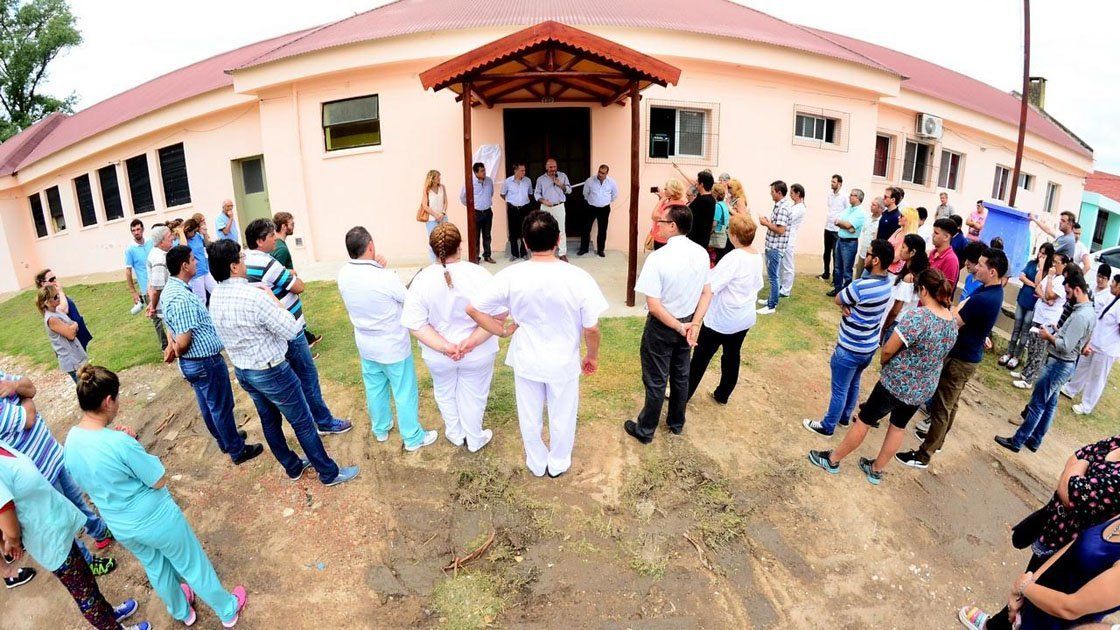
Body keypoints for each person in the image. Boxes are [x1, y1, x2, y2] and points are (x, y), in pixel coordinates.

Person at [63, 366, 248, 628]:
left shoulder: (71, 440)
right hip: (155, 518)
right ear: (107, 401)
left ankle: (182, 611)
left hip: (121, 524)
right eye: (117, 397)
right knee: (192, 563)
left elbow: (85, 475)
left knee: (155, 566)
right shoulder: (119, 443)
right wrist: (132, 444)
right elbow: (157, 479)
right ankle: (227, 610)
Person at [207, 239, 359, 486]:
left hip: (244, 371)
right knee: (303, 423)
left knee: (269, 421)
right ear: (233, 266)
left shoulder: (215, 296)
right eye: (241, 258)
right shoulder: (254, 296)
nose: (245, 262)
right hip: (271, 371)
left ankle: (292, 467)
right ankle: (328, 473)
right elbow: (291, 329)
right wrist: (272, 297)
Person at [468, 210, 606, 477]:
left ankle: (536, 461)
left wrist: (502, 331)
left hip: (527, 357)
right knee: (563, 413)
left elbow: (473, 309)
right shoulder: (578, 277)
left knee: (529, 414)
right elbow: (591, 327)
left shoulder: (511, 275)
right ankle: (558, 462)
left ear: (526, 242)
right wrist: (592, 355)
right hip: (563, 360)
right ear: (558, 240)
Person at [807, 269, 958, 485]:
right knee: (898, 426)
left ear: (923, 290)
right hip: (922, 388)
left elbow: (888, 349)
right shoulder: (951, 321)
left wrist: (885, 363)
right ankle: (876, 470)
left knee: (865, 421)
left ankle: (832, 460)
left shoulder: (918, 318)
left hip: (895, 383)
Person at [960, 434, 1120, 629]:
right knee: (1020, 611)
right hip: (1053, 554)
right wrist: (1026, 585)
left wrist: (1024, 587)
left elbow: (1070, 608)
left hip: (1058, 617)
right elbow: (1078, 457)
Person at [0, 440, 149, 630]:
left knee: (88, 581)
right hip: (50, 542)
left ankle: (109, 615)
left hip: (57, 528)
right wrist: (11, 541)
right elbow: (9, 526)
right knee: (85, 595)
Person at [898, 248, 1009, 469]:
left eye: (981, 264)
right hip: (967, 355)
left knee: (942, 405)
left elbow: (953, 322)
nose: (976, 267)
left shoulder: (984, 298)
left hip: (961, 359)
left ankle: (924, 454)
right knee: (951, 402)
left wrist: (952, 311)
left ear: (993, 272)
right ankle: (937, 441)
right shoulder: (992, 291)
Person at [0, 370, 116, 567]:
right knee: (63, 522)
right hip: (39, 474)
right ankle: (88, 562)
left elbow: (31, 388)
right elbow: (29, 418)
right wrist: (25, 399)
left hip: (52, 454)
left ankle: (100, 532)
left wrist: (16, 387)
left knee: (77, 500)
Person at [402, 223, 502, 451]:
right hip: (477, 351)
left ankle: (456, 433)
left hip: (439, 354)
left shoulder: (422, 280)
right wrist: (470, 342)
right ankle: (474, 437)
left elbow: (415, 324)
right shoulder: (479, 274)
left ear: (432, 249)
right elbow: (498, 316)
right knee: (474, 394)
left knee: (445, 391)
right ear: (460, 245)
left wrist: (446, 346)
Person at [160, 246, 263, 465]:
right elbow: (184, 341)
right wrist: (175, 349)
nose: (197, 262)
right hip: (204, 363)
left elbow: (170, 325)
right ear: (184, 266)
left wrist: (171, 344)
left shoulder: (171, 290)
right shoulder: (181, 298)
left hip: (196, 364)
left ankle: (226, 439)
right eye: (192, 259)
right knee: (221, 407)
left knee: (209, 406)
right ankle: (237, 450)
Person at [337, 227, 438, 452]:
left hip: (366, 344)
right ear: (370, 246)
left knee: (375, 388)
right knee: (404, 391)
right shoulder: (385, 277)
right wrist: (382, 270)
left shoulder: (343, 273)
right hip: (392, 346)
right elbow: (408, 300)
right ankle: (412, 437)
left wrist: (377, 267)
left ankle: (381, 428)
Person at [243, 219, 348, 434]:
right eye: (271, 236)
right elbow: (299, 287)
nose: (275, 239)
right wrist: (291, 275)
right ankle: (324, 422)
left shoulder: (246, 260)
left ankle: (311, 419)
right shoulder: (267, 263)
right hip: (291, 330)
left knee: (293, 381)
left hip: (272, 332)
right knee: (308, 377)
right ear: (260, 241)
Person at [624, 204, 711, 444]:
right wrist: (694, 324)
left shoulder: (658, 258)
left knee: (656, 379)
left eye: (661, 221)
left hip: (664, 327)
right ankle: (676, 423)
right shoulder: (701, 253)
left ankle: (645, 430)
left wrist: (684, 326)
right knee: (681, 375)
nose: (657, 225)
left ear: (672, 226)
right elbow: (707, 293)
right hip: (686, 323)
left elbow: (654, 305)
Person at [962, 512, 1120, 629]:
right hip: (1038, 600)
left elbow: (1070, 608)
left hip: (1057, 621)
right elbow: (1075, 543)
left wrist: (1023, 587)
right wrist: (1030, 582)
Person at [997, 267, 1095, 453]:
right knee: (1050, 404)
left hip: (1059, 363)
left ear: (1077, 290)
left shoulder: (1081, 315)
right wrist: (1058, 331)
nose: (1066, 297)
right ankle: (1034, 440)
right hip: (1064, 364)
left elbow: (1065, 346)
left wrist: (1048, 336)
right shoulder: (1089, 311)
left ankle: (1017, 441)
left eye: (1068, 293)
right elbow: (1076, 341)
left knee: (1037, 404)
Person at [802, 240, 895, 437]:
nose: (865, 257)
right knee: (854, 382)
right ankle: (844, 418)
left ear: (876, 260)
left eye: (868, 254)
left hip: (849, 348)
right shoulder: (888, 283)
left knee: (839, 389)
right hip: (868, 347)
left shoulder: (860, 286)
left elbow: (838, 298)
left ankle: (827, 426)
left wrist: (847, 305)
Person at [687, 215, 762, 404]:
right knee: (732, 355)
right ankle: (723, 394)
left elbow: (712, 285)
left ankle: (683, 395)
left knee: (700, 358)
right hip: (743, 317)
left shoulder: (735, 257)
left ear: (734, 235)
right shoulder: (756, 255)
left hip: (723, 319)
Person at [1062, 273, 1120, 415]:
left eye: (1113, 282)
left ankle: (1086, 405)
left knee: (1096, 378)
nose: (1111, 284)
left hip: (1106, 348)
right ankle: (1070, 389)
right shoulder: (1113, 299)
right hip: (1094, 342)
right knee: (1082, 367)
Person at [1013, 254, 1070, 389]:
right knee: (1032, 346)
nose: (1054, 265)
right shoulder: (1052, 276)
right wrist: (1044, 298)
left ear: (1064, 265)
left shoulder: (1062, 281)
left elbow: (1051, 295)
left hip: (1048, 320)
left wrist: (1049, 280)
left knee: (1039, 350)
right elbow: (1038, 287)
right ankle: (1025, 372)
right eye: (1053, 262)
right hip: (1038, 315)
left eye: (1057, 263)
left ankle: (1029, 379)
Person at [271, 212, 323, 347]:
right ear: (284, 226)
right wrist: (292, 275)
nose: (293, 226)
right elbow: (277, 274)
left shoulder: (279, 245)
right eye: (291, 224)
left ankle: (308, 337)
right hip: (284, 295)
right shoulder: (281, 249)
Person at [1001, 243, 1054, 370]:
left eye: (1044, 254)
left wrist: (1040, 270)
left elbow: (1039, 283)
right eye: (1040, 252)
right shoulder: (1031, 263)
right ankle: (1009, 352)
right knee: (1017, 326)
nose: (1040, 255)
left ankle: (1016, 356)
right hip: (1023, 298)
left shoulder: (1048, 271)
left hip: (1033, 304)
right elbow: (1022, 277)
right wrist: (1033, 285)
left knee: (1025, 329)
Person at [880, 235, 929, 340]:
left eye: (903, 247)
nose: (900, 250)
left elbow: (895, 311)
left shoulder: (909, 278)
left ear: (912, 252)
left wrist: (884, 327)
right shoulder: (917, 273)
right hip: (906, 322)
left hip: (897, 322)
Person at [36, 285, 88, 383]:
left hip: (76, 354)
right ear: (46, 302)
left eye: (58, 294)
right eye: (55, 297)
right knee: (84, 386)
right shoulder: (51, 319)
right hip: (71, 359)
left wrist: (73, 326)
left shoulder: (57, 311)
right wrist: (74, 325)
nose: (58, 297)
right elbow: (71, 335)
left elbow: (72, 326)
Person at [34, 270, 92, 351]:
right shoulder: (49, 299)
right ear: (43, 283)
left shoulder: (55, 294)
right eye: (51, 279)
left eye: (55, 278)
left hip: (77, 333)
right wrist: (60, 291)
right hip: (70, 336)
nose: (55, 281)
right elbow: (64, 309)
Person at [757, 180, 792, 315]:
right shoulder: (779, 206)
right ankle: (770, 299)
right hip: (773, 246)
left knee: (773, 277)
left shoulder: (783, 208)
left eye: (772, 191)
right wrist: (769, 221)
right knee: (773, 276)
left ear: (779, 192)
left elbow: (781, 230)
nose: (770, 194)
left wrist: (766, 223)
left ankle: (772, 305)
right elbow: (777, 225)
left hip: (775, 247)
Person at [534, 158, 573, 261]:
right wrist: (543, 201)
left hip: (559, 206)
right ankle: (545, 252)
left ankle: (562, 253)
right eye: (550, 167)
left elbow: (569, 190)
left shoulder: (563, 176)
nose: (553, 169)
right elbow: (536, 194)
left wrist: (561, 185)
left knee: (561, 230)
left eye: (554, 167)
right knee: (544, 229)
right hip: (545, 207)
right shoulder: (540, 179)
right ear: (546, 167)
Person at [829, 188, 866, 296]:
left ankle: (846, 294)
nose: (850, 196)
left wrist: (844, 224)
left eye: (852, 195)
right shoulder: (848, 209)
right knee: (837, 268)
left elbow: (848, 225)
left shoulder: (860, 212)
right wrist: (843, 224)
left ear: (858, 198)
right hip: (840, 239)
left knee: (847, 270)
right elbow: (837, 220)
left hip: (850, 243)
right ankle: (837, 290)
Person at [460, 162, 496, 264]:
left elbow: (491, 193)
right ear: (476, 173)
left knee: (487, 235)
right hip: (476, 213)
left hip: (487, 212)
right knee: (475, 236)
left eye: (484, 170)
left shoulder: (489, 181)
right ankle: (475, 257)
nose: (484, 172)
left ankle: (487, 256)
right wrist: (471, 207)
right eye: (482, 171)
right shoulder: (470, 182)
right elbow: (463, 197)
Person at [144, 225, 173, 351]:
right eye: (169, 236)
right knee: (174, 334)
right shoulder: (159, 259)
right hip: (167, 305)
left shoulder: (158, 253)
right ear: (161, 242)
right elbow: (156, 289)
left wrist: (151, 304)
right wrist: (153, 306)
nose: (172, 237)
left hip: (167, 303)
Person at [579, 164, 617, 257]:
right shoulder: (590, 181)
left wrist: (605, 202)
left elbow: (614, 195)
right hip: (591, 208)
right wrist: (591, 201)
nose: (600, 174)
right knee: (586, 228)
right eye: (599, 172)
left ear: (607, 173)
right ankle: (584, 249)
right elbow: (585, 193)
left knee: (602, 230)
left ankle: (600, 250)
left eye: (603, 173)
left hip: (604, 209)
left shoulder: (611, 182)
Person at [778, 183, 807, 298]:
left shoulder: (800, 208)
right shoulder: (794, 206)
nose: (790, 195)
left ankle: (786, 290)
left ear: (798, 193)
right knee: (781, 265)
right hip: (784, 238)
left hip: (789, 239)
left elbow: (787, 219)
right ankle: (781, 285)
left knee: (788, 265)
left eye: (791, 193)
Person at [500, 163, 531, 260]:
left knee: (525, 230)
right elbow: (502, 194)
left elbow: (530, 193)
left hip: (524, 208)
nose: (524, 172)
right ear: (515, 171)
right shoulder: (508, 181)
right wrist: (511, 201)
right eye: (522, 170)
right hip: (513, 209)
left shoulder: (527, 181)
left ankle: (524, 253)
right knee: (513, 231)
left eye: (524, 170)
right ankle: (514, 254)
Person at [179, 218, 215, 302]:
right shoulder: (183, 241)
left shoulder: (197, 236)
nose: (195, 233)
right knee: (201, 299)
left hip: (205, 270)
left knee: (215, 291)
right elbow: (183, 248)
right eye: (194, 231)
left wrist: (205, 234)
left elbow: (207, 245)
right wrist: (182, 233)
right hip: (196, 275)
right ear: (188, 231)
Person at [649, 179, 688, 251]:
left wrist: (663, 199)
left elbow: (654, 216)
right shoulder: (677, 202)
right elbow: (662, 211)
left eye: (666, 189)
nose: (664, 190)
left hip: (663, 240)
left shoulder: (673, 205)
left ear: (672, 191)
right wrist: (662, 198)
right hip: (666, 238)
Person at [419, 170, 448, 261]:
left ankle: (444, 260)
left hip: (443, 218)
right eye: (437, 177)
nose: (439, 178)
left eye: (439, 176)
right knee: (433, 241)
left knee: (445, 240)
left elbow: (445, 201)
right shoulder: (427, 190)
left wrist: (443, 213)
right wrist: (436, 215)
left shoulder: (442, 187)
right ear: (432, 178)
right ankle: (434, 262)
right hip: (432, 220)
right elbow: (425, 205)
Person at [820, 174, 845, 281]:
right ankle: (826, 273)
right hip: (828, 227)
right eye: (831, 181)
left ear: (839, 184)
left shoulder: (844, 196)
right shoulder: (830, 195)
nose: (832, 183)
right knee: (826, 252)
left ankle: (836, 277)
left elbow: (847, 210)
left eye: (834, 182)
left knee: (836, 254)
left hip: (837, 230)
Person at [853, 196, 884, 279]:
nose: (871, 206)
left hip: (872, 255)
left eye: (874, 205)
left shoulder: (881, 221)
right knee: (857, 276)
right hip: (862, 253)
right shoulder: (867, 218)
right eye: (871, 204)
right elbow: (863, 233)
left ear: (880, 208)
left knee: (867, 278)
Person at [686, 171, 717, 251]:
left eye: (697, 181)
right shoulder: (710, 199)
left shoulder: (703, 201)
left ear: (702, 184)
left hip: (696, 239)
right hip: (702, 238)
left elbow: (691, 215)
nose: (696, 184)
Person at [928, 218, 962, 289]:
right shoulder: (933, 252)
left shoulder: (951, 260)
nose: (932, 235)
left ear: (946, 237)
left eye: (936, 233)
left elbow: (946, 289)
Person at [886, 207, 920, 276]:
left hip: (894, 272)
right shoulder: (898, 230)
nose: (899, 217)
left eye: (902, 216)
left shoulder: (909, 238)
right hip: (886, 267)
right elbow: (886, 244)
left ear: (908, 219)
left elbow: (895, 258)